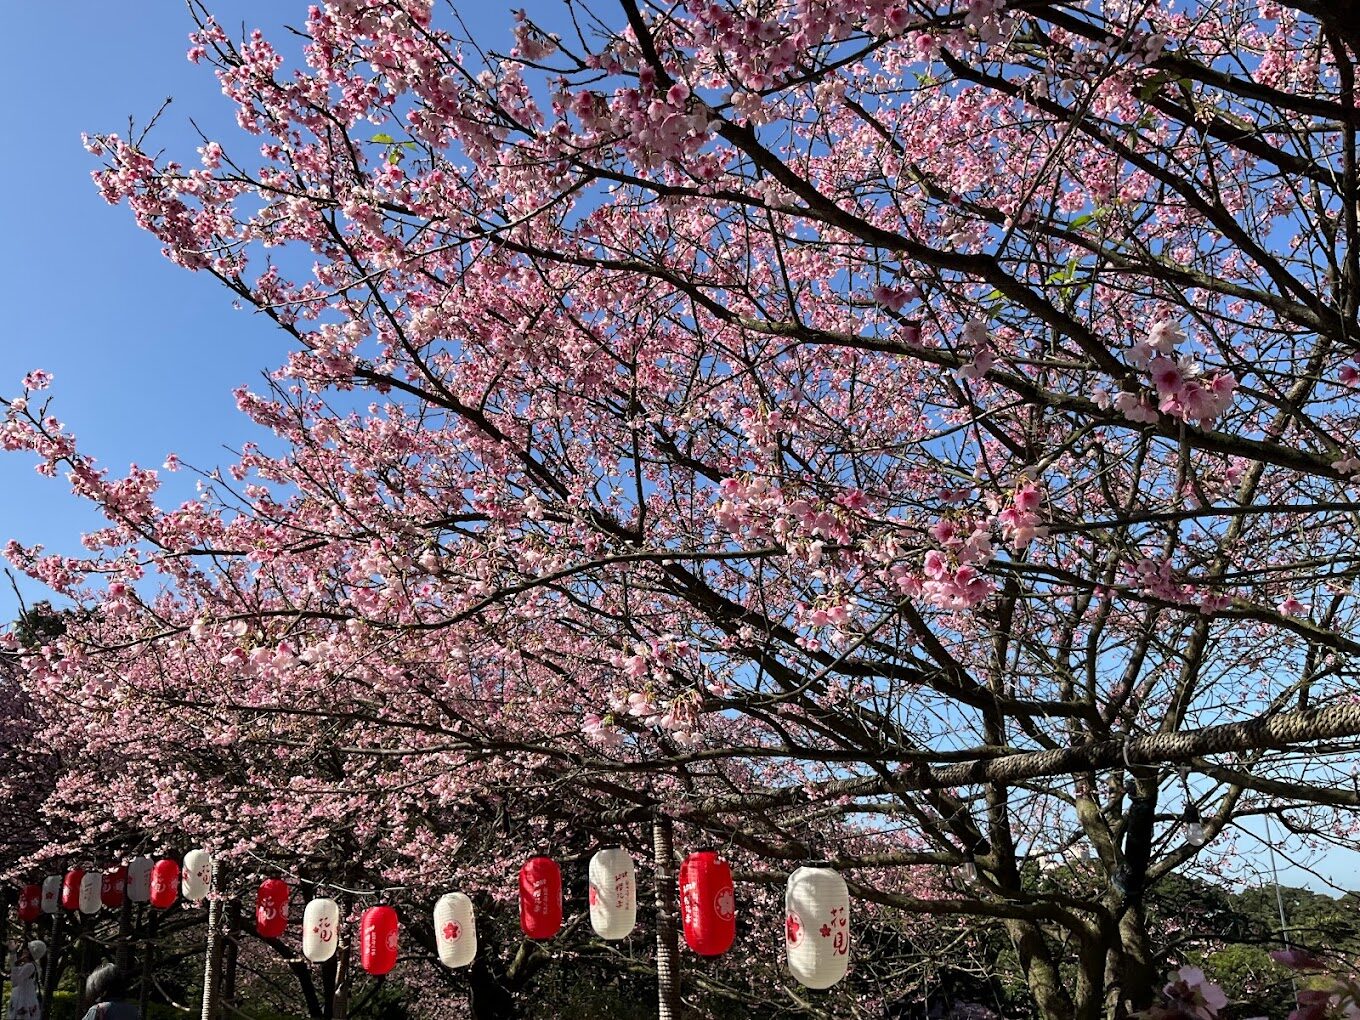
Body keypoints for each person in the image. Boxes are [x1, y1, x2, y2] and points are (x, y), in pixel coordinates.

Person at [6, 940, 44, 1020]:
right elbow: (14, 971)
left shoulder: (29, 966)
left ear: (30, 953)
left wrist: (16, 963)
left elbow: (15, 982)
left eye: (27, 949)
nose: (23, 950)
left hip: (23, 1000)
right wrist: (13, 953)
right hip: (25, 998)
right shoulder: (31, 965)